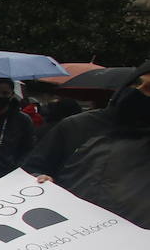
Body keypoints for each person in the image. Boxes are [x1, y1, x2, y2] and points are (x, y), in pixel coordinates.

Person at [25, 62, 150, 226]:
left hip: (132, 241)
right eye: (137, 83)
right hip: (68, 232)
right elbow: (31, 169)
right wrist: (39, 179)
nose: (139, 92)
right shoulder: (78, 126)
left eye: (149, 89)